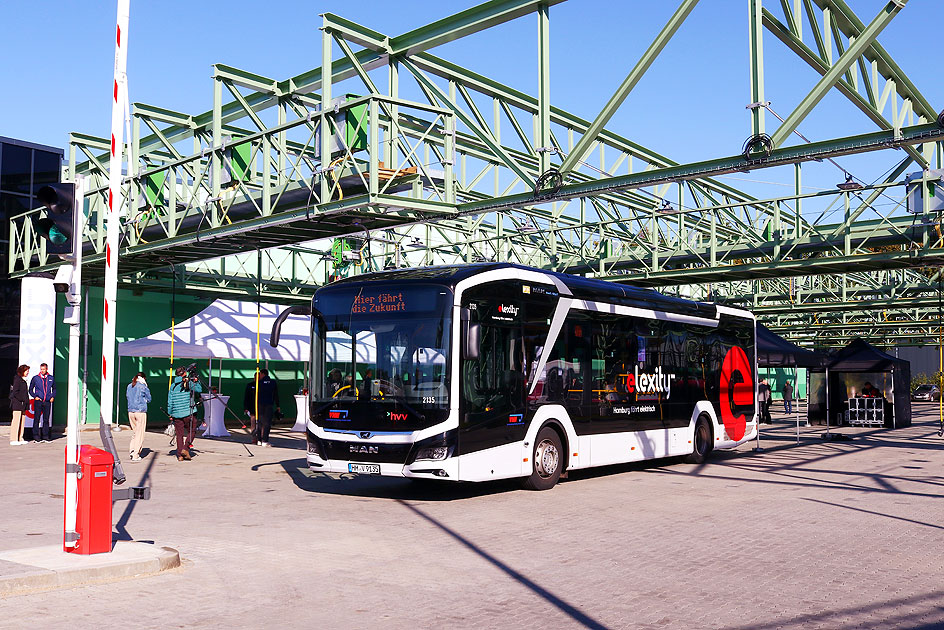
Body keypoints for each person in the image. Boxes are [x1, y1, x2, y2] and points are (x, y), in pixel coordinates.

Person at [167, 366, 203, 461]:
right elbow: (199, 389)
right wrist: (196, 381)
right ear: (184, 374)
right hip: (188, 412)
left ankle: (179, 455)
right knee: (192, 430)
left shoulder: (173, 386)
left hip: (176, 414)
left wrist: (170, 413)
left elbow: (170, 401)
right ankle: (185, 449)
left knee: (179, 434)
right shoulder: (188, 383)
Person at [125, 372, 151, 462]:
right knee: (140, 434)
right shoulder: (143, 386)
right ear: (144, 378)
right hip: (140, 412)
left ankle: (132, 450)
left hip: (130, 411)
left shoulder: (129, 386)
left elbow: (127, 397)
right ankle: (136, 454)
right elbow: (149, 398)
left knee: (135, 433)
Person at [28, 362, 56, 443]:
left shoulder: (51, 378)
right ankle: (36, 436)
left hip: (47, 402)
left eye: (44, 369)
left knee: (46, 419)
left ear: (46, 369)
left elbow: (54, 389)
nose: (42, 371)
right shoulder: (36, 378)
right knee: (36, 419)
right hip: (38, 402)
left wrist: (52, 396)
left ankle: (46, 436)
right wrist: (34, 396)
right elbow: (30, 389)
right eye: (41, 369)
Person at [253, 369, 280, 447]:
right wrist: (278, 405)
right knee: (267, 422)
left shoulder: (259, 383)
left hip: (260, 404)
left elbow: (255, 394)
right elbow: (275, 394)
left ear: (262, 374)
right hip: (269, 404)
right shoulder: (273, 382)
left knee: (259, 422)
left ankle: (259, 440)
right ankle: (265, 440)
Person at [9, 365, 30, 445]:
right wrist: (22, 399)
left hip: (23, 405)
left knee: (22, 421)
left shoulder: (23, 380)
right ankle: (13, 439)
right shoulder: (17, 379)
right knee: (16, 421)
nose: (28, 372)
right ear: (22, 371)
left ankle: (20, 438)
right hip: (18, 404)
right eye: (26, 371)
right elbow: (15, 392)